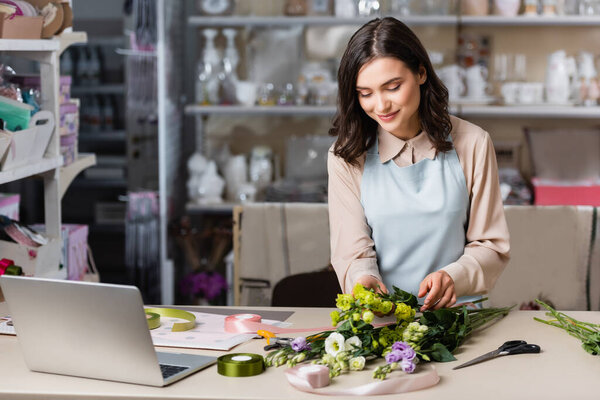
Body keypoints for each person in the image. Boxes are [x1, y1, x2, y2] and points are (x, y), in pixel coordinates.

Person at [327, 17, 510, 311]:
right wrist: (362, 279)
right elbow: (351, 252)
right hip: (382, 321)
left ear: (421, 73)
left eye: (393, 87)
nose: (381, 105)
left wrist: (454, 276)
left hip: (460, 320)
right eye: (366, 93)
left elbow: (491, 245)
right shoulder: (346, 155)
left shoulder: (472, 142)